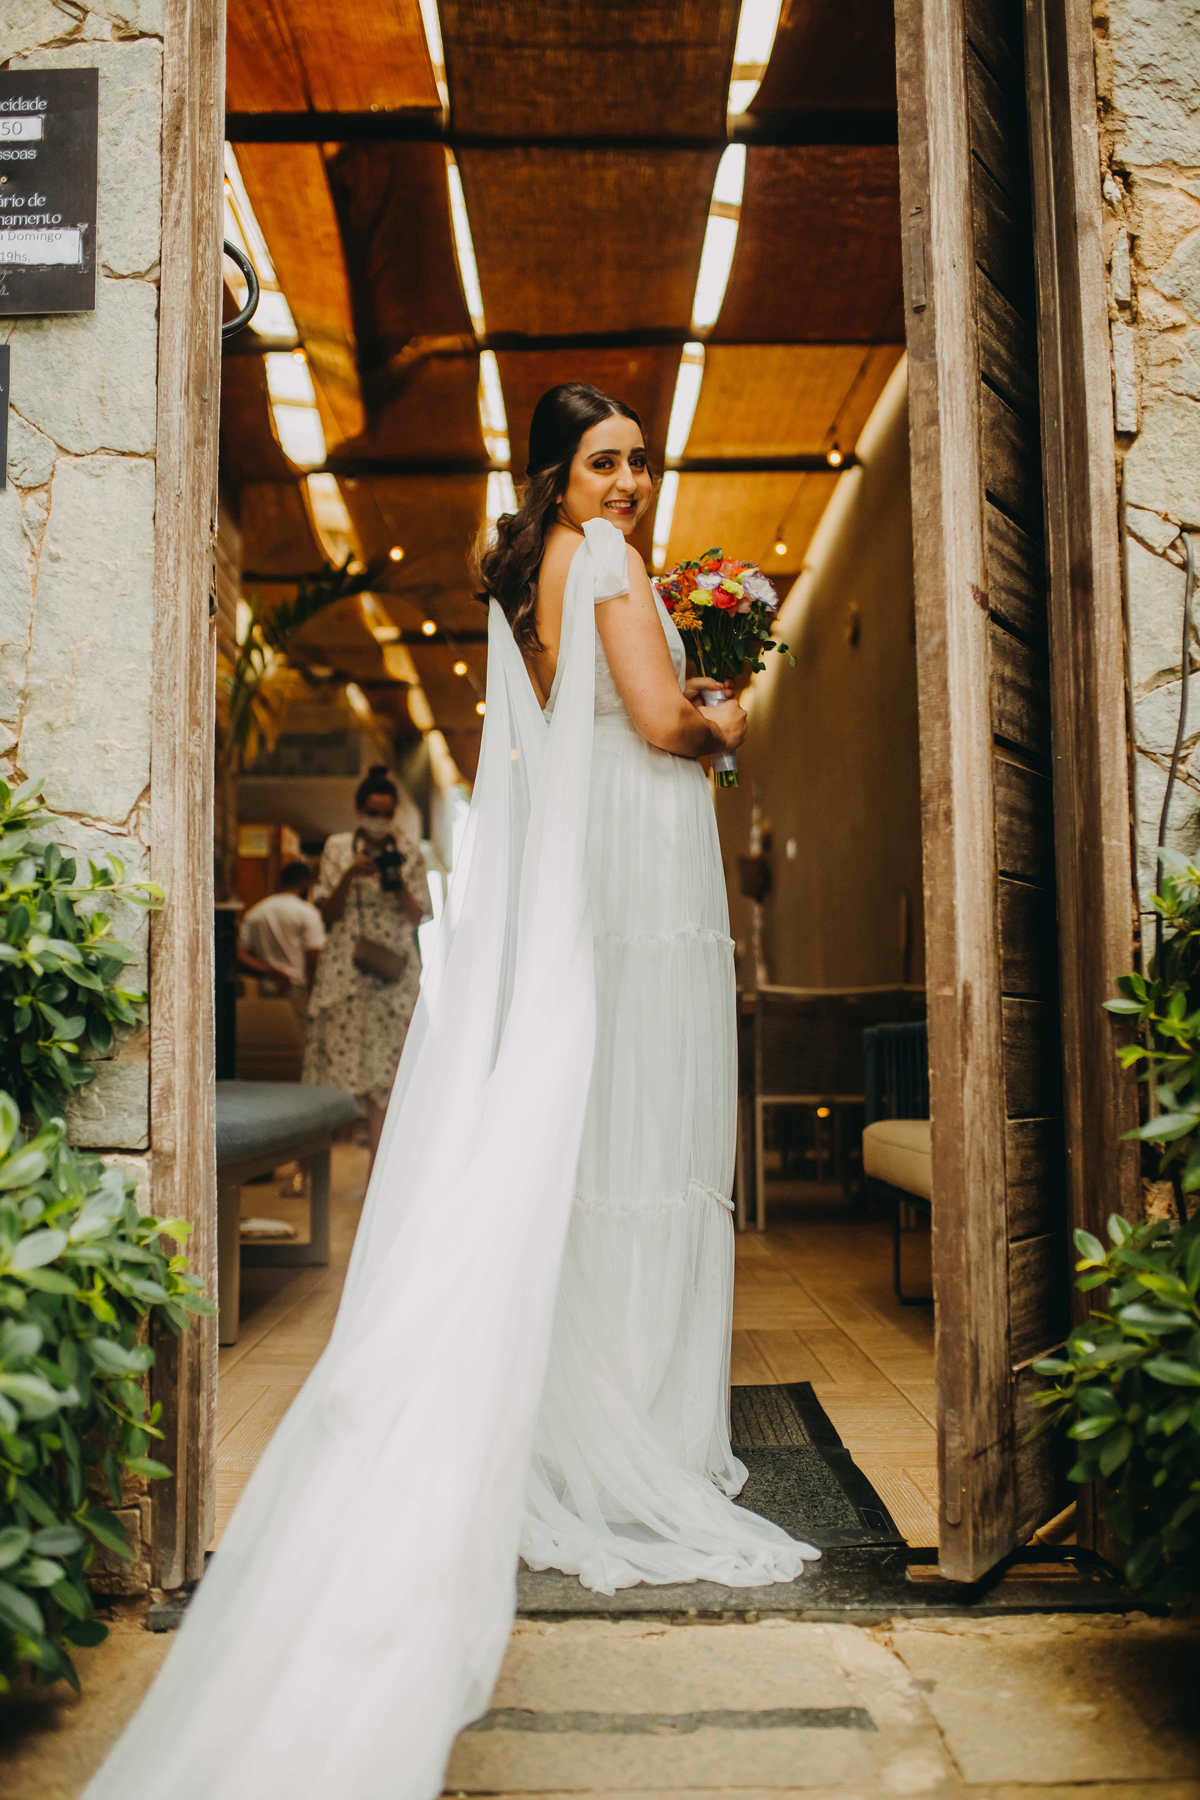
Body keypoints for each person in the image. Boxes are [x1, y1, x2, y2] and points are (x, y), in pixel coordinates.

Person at [83, 385, 816, 1800]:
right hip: (636, 872)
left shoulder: (545, 569)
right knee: (644, 1142)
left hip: (594, 876)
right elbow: (660, 724)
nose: (629, 482)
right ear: (558, 471)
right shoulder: (599, 565)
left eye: (639, 461)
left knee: (605, 1147)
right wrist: (728, 707)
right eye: (604, 461)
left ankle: (591, 1400)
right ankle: (637, 1429)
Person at [302, 767, 430, 1170]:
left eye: (387, 813)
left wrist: (399, 887)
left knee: (386, 1081)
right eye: (373, 812)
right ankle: (312, 1173)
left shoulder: (409, 852)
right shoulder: (338, 849)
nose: (379, 820)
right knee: (335, 1073)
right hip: (346, 974)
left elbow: (418, 916)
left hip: (392, 975)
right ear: (359, 810)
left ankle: (380, 1175)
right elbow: (326, 912)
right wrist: (351, 874)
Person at [237, 857, 325, 1021]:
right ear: (305, 883)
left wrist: (269, 970)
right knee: (297, 1042)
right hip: (297, 989)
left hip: (263, 989)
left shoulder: (257, 911)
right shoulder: (307, 913)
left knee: (268, 1041)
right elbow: (313, 957)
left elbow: (240, 954)